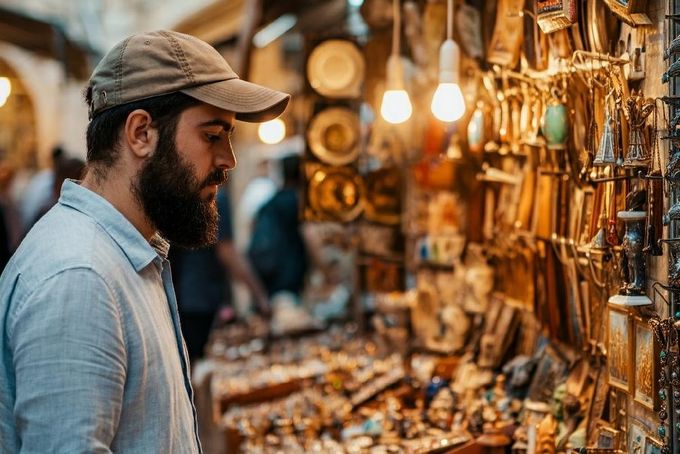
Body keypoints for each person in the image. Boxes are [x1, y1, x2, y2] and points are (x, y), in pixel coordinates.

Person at [0, 30, 289, 453]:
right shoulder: (80, 278)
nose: (229, 160)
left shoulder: (124, 255)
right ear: (140, 133)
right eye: (212, 135)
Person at [171, 185, 269, 362]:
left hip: (180, 297)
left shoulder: (181, 194)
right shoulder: (214, 197)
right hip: (200, 298)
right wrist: (260, 295)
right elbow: (227, 252)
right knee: (197, 364)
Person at [248, 155, 308, 297]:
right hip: (289, 277)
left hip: (268, 275)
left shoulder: (271, 202)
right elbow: (308, 235)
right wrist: (327, 271)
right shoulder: (296, 202)